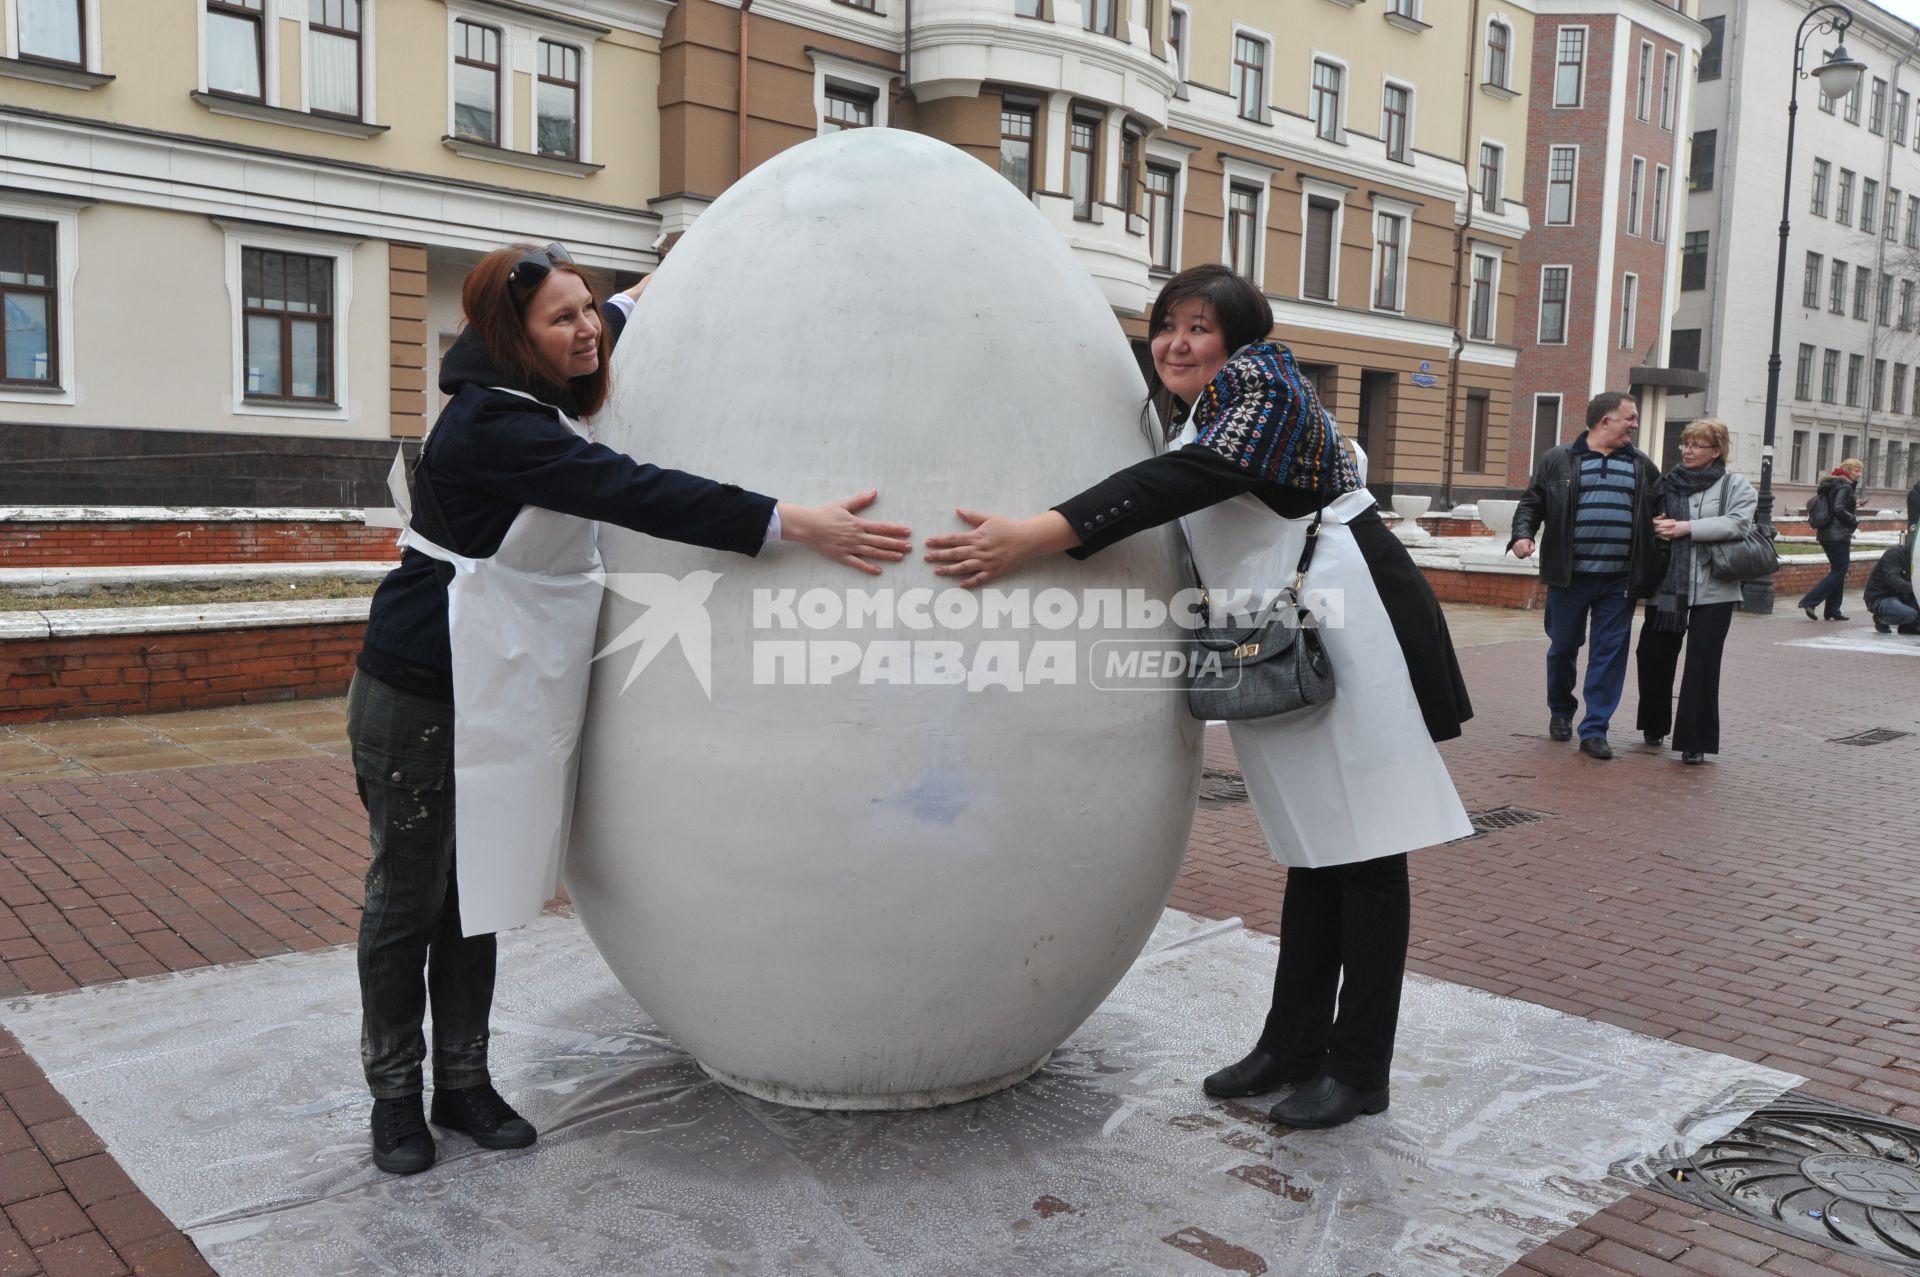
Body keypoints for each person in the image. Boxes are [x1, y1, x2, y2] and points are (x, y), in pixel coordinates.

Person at [350, 243, 913, 1176]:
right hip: (420, 682)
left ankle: (462, 1083)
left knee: (477, 890)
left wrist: (667, 278)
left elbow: (618, 314)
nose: (584, 331)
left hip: (492, 671)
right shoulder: (495, 424)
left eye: (584, 310)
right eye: (560, 319)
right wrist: (793, 521)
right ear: (511, 337)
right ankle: (393, 1096)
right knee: (408, 902)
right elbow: (635, 490)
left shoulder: (535, 369)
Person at [922, 264, 1472, 1131]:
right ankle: (1292, 1042)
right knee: (1313, 845)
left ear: (1240, 338)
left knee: (1365, 855)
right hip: (1288, 635)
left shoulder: (1267, 390)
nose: (1177, 343)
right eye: (1167, 325)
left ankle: (1361, 1065)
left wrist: (1033, 535)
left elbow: (1175, 487)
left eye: (1199, 327)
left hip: (1352, 628)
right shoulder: (1215, 406)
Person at [1508, 393, 1662, 760]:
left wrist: (1658, 560)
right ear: (1605, 421)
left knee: (1609, 654)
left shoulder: (1642, 466)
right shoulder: (1558, 459)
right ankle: (1561, 710)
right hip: (1568, 576)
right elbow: (1532, 503)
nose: (1635, 425)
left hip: (1619, 580)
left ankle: (1595, 729)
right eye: (1631, 418)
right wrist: (1522, 534)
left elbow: (1661, 513)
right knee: (1562, 647)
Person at [1632, 420, 1755, 766]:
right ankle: (1654, 724)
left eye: (1696, 445)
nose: (1687, 451)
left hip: (1716, 588)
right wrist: (1656, 525)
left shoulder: (1735, 485)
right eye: (1685, 445)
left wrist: (1686, 528)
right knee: (1653, 655)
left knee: (1702, 665)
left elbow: (1738, 523)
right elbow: (1647, 517)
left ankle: (1694, 740)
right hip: (1668, 586)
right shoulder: (1667, 484)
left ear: (1716, 450)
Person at [1797, 459, 1863, 621]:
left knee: (1838, 570)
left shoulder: (1835, 485)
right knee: (1840, 570)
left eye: (1860, 471)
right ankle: (1810, 601)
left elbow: (1835, 505)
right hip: (1837, 534)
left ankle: (1833, 610)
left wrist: (1854, 503)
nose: (1859, 474)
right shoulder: (1845, 487)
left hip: (1827, 533)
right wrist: (1853, 519)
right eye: (1856, 471)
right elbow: (1838, 508)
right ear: (1847, 470)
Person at [1864, 529, 1919, 634]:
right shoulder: (1894, 554)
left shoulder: (1916, 561)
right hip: (1881, 597)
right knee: (1909, 614)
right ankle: (1880, 619)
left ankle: (1908, 627)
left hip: (1903, 597)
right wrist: (1916, 588)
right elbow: (1892, 579)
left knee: (1913, 613)